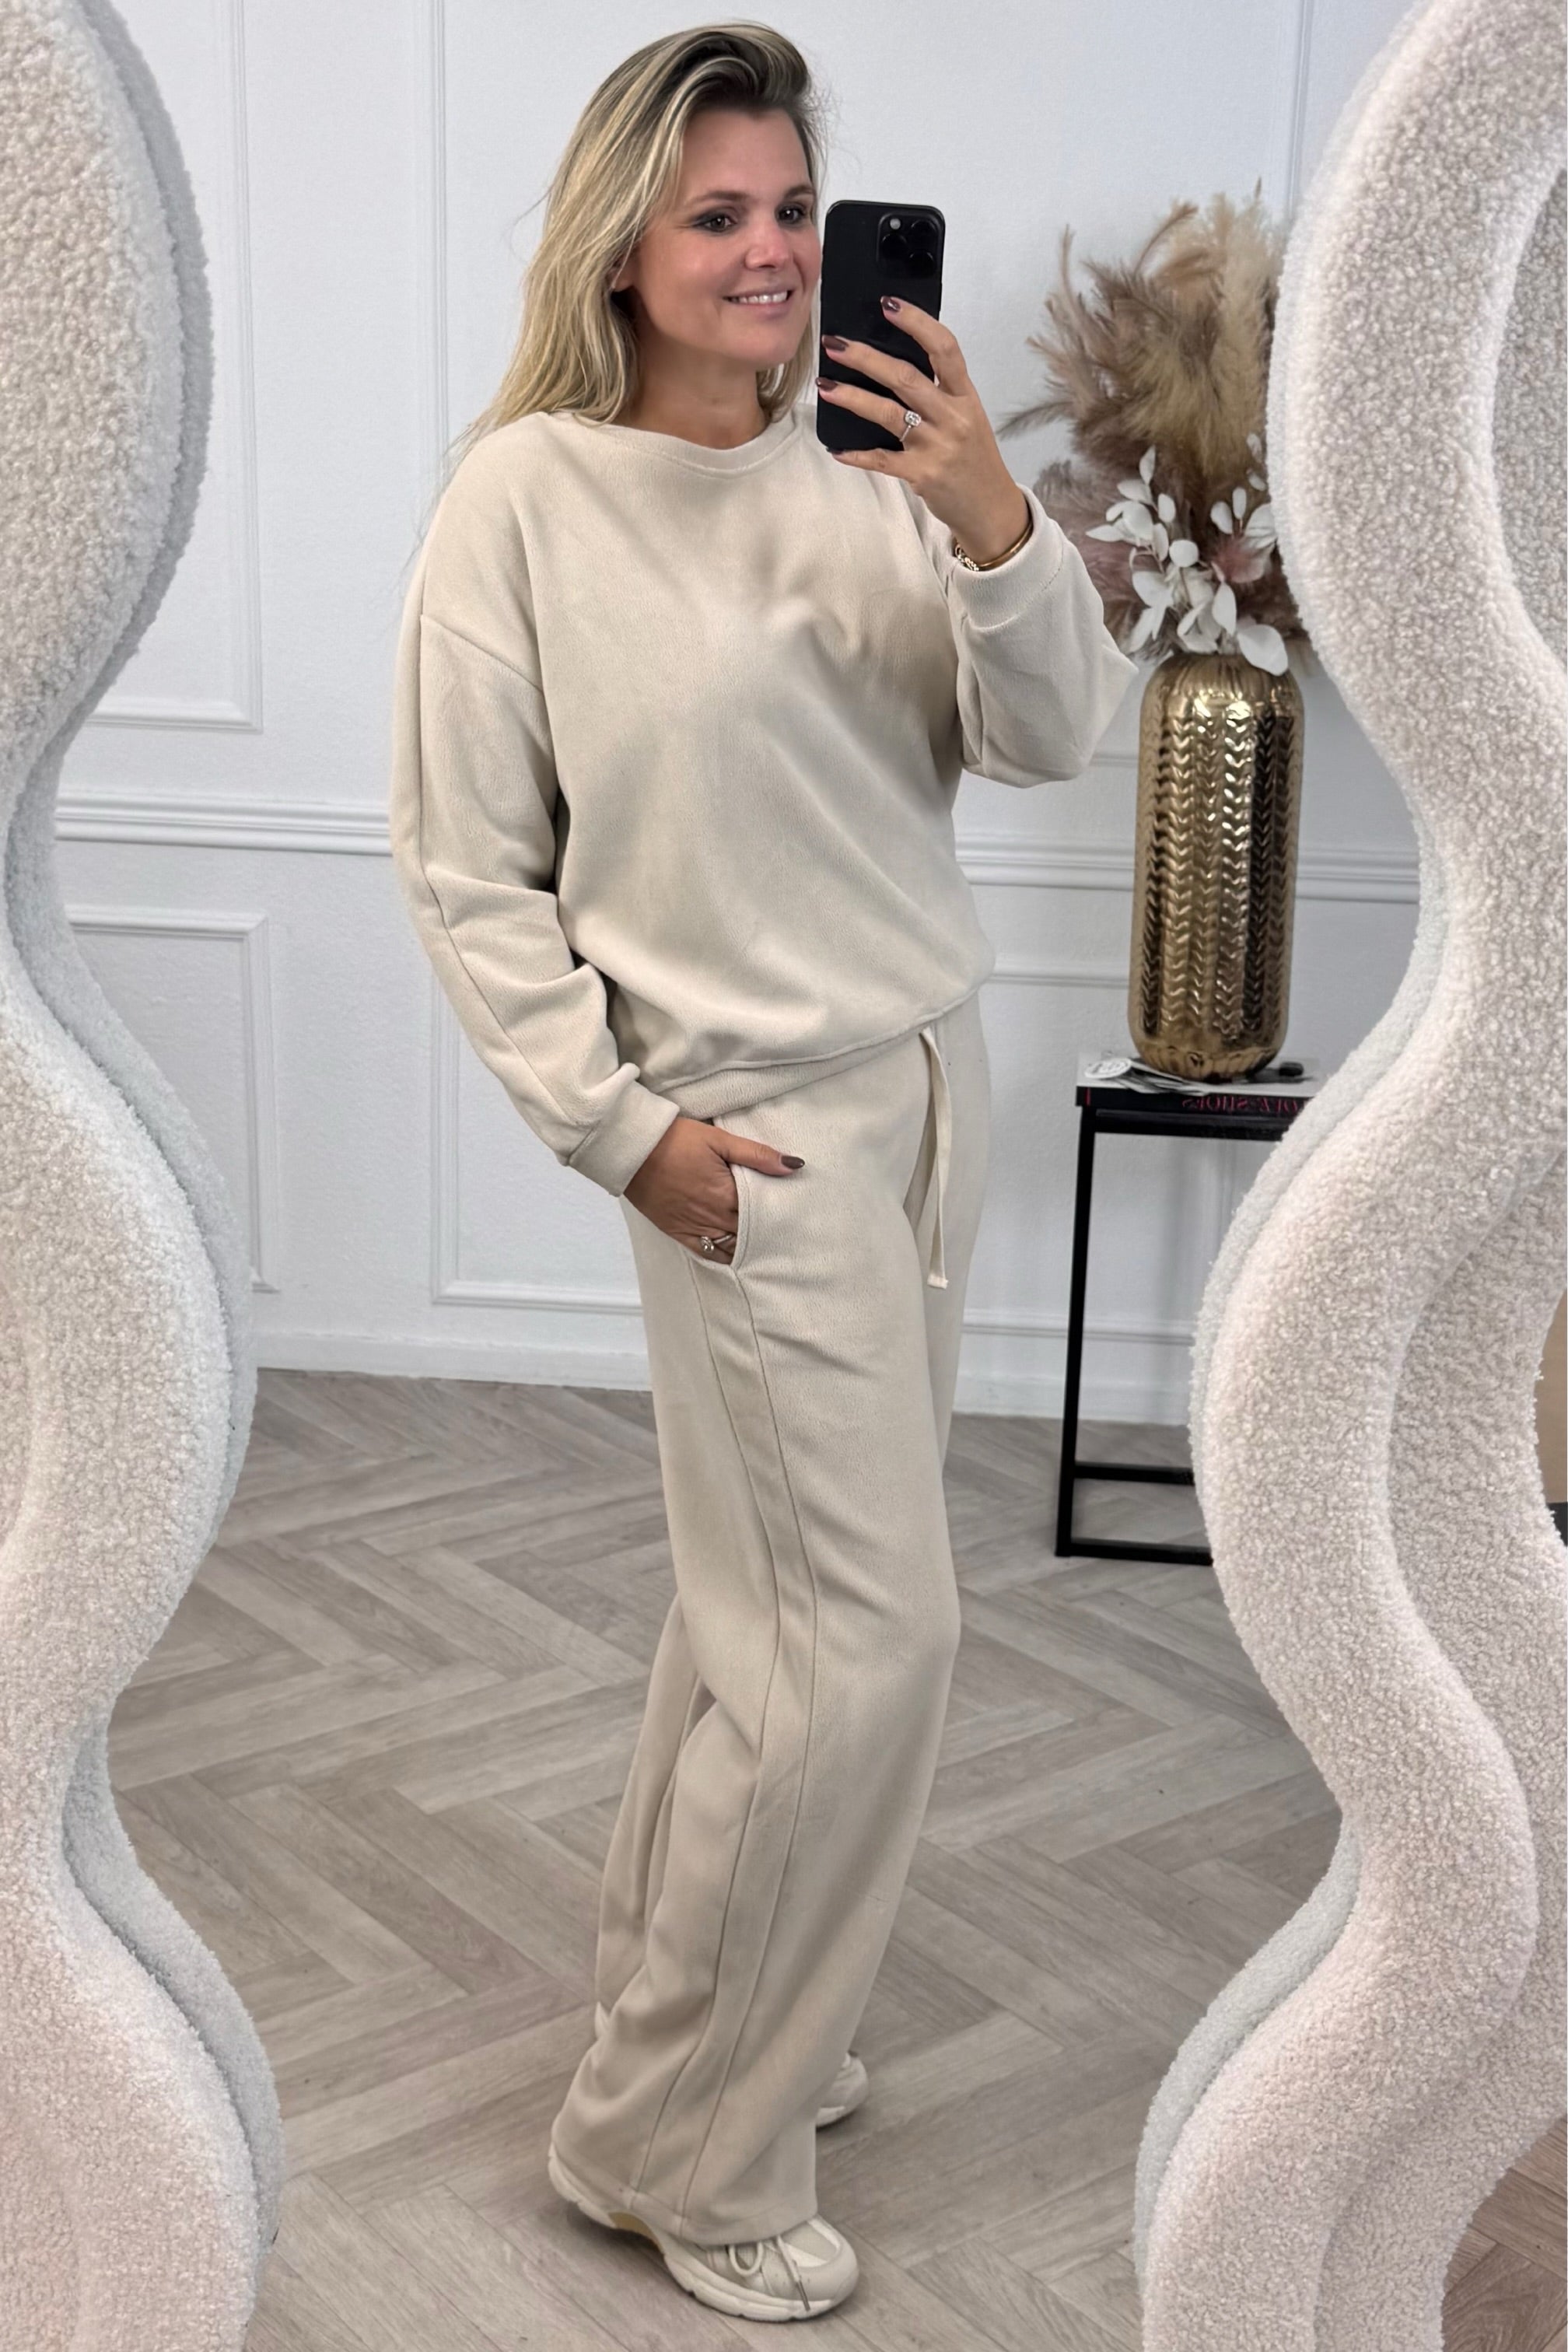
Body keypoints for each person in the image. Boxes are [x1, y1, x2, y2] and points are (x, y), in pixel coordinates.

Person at [387, 21, 1137, 2325]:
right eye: (718, 213)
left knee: (768, 1623)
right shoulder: (529, 501)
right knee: (860, 1648)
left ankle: (723, 2030)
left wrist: (990, 517)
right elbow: (469, 871)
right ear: (622, 242)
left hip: (927, 1097)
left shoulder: (876, 480)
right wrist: (630, 1139)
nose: (773, 251)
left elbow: (1054, 733)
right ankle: (676, 2149)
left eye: (797, 210)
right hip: (752, 1141)